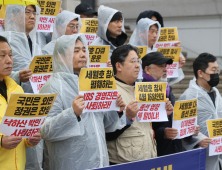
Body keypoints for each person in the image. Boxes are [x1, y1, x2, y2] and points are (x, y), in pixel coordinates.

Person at [39, 34, 137, 170]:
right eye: (76, 51)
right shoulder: (52, 86)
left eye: (84, 50)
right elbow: (45, 130)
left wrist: (116, 111)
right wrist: (72, 113)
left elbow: (102, 124)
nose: (83, 54)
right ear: (61, 57)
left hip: (99, 161)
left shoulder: (91, 83)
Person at [106, 45, 173, 165]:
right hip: (123, 164)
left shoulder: (142, 89)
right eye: (133, 61)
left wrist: (163, 113)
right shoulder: (110, 91)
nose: (138, 65)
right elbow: (107, 133)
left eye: (138, 61)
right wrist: (127, 117)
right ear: (118, 66)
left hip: (148, 160)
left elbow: (145, 126)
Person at [141, 51, 200, 156]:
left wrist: (189, 129)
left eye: (165, 66)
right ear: (147, 70)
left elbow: (173, 122)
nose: (165, 69)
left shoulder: (167, 89)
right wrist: (162, 133)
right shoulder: (142, 92)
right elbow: (140, 128)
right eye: (160, 66)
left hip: (172, 151)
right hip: (156, 154)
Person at [0, 35, 41, 170]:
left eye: (10, 55)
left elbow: (20, 127)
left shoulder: (17, 89)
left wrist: (29, 139)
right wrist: (0, 141)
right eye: (2, 56)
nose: (9, 60)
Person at [179, 53, 221, 170]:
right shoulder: (189, 95)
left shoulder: (216, 93)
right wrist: (197, 140)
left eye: (217, 70)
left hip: (218, 153)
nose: (216, 74)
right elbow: (181, 128)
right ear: (200, 73)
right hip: (201, 156)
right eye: (213, 70)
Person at [136, 10, 186, 85]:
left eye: (156, 31)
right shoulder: (132, 51)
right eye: (152, 31)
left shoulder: (159, 49)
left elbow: (165, 79)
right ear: (140, 31)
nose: (155, 35)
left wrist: (175, 66)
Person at [0, 5, 42, 92]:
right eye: (27, 12)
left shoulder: (36, 46)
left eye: (34, 13)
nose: (32, 16)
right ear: (13, 16)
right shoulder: (4, 40)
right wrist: (16, 76)